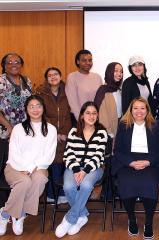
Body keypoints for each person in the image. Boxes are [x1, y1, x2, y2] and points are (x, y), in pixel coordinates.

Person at [0, 95, 57, 236]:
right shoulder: (18, 129)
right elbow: (13, 153)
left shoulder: (51, 129)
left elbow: (49, 154)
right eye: (31, 106)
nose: (35, 109)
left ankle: (15, 213)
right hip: (15, 166)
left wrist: (32, 168)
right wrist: (24, 168)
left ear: (43, 108)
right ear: (26, 109)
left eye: (38, 106)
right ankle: (9, 214)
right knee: (24, 181)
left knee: (40, 180)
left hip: (40, 167)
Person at [112, 97, 159, 240]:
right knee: (126, 182)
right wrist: (131, 162)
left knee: (149, 183)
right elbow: (117, 151)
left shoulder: (156, 125)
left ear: (147, 110)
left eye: (142, 108)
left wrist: (148, 162)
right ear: (131, 110)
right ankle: (132, 219)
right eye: (135, 108)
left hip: (150, 162)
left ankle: (148, 222)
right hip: (127, 162)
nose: (139, 111)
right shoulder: (123, 125)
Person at [55, 101, 108, 238]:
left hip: (94, 168)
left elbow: (98, 155)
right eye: (88, 113)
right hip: (74, 167)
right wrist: (77, 169)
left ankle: (70, 219)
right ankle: (82, 215)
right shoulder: (73, 131)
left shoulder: (101, 132)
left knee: (86, 185)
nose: (91, 116)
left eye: (94, 113)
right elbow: (68, 154)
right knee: (68, 187)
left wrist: (84, 171)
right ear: (82, 116)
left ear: (97, 116)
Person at [37, 67, 72, 204]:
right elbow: (40, 114)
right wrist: (54, 132)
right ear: (46, 78)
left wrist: (66, 133)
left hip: (66, 134)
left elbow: (70, 114)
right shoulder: (41, 93)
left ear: (60, 76)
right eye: (50, 75)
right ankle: (52, 194)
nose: (53, 77)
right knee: (53, 162)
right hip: (48, 133)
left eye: (56, 74)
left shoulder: (67, 91)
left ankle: (63, 193)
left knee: (65, 162)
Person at [0, 53, 32, 162]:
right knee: (4, 164)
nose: (13, 65)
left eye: (17, 62)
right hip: (4, 131)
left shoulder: (26, 81)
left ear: (21, 65)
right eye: (9, 62)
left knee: (19, 163)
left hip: (22, 130)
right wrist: (9, 127)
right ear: (4, 66)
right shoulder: (1, 81)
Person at [65, 49, 102, 121]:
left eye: (90, 60)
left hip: (95, 118)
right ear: (78, 61)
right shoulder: (72, 77)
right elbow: (73, 102)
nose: (88, 63)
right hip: (79, 119)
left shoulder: (97, 77)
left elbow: (100, 100)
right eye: (84, 60)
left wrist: (96, 117)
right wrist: (82, 119)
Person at [94, 62, 123, 140]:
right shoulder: (103, 90)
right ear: (109, 72)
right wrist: (109, 133)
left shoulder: (119, 90)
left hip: (118, 128)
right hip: (107, 133)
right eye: (116, 71)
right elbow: (101, 115)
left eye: (121, 71)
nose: (119, 74)